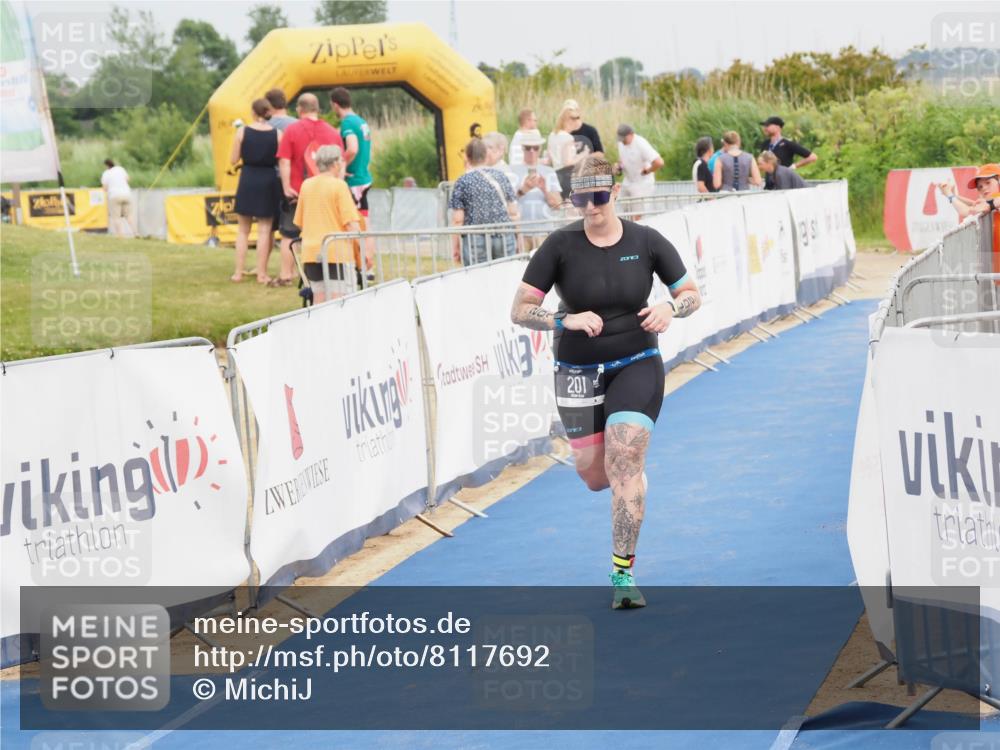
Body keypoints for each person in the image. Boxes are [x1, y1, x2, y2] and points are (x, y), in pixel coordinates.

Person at [510, 156, 701, 609]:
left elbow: (691, 293)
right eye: (580, 199)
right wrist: (565, 318)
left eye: (598, 198)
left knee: (625, 456)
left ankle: (622, 575)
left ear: (615, 192)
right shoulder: (559, 246)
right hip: (576, 371)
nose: (590, 208)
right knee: (597, 476)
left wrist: (671, 309)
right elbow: (519, 310)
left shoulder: (647, 241)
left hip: (637, 360)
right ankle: (628, 480)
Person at [275, 93, 345, 287]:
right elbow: (342, 160)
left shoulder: (292, 130)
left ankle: (287, 273)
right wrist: (338, 184)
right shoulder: (332, 131)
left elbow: (284, 160)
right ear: (318, 109)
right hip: (328, 191)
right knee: (327, 232)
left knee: (290, 233)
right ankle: (322, 273)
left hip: (299, 191)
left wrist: (286, 186)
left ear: (299, 109)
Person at [292, 145, 361, 304]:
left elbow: (300, 222)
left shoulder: (306, 185)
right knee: (341, 298)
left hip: (311, 252)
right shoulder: (339, 186)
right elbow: (351, 224)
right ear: (336, 163)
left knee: (319, 298)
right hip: (336, 251)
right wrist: (362, 251)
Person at [230, 98, 282, 283]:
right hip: (268, 179)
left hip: (248, 178)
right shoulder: (278, 134)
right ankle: (261, 273)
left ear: (253, 112)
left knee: (243, 230)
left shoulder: (242, 131)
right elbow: (281, 160)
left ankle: (238, 272)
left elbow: (233, 159)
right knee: (264, 230)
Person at [449, 138, 519, 266]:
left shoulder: (462, 181)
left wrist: (456, 246)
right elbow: (513, 213)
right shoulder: (502, 176)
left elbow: (458, 220)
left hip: (475, 238)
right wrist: (518, 238)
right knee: (506, 277)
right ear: (486, 155)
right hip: (504, 234)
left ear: (467, 157)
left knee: (478, 280)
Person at [330, 86, 375, 282]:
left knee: (358, 224)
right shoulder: (361, 121)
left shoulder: (347, 123)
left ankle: (364, 266)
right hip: (364, 176)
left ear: (335, 104)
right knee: (365, 223)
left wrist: (342, 166)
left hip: (354, 181)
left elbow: (353, 147)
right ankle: (366, 265)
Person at [509, 128, 563, 249]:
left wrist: (544, 189)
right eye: (528, 148)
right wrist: (523, 190)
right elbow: (507, 202)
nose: (532, 151)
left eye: (535, 148)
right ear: (522, 148)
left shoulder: (549, 172)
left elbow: (558, 205)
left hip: (544, 232)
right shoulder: (512, 171)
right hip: (520, 233)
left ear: (540, 149)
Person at [758, 116, 816, 188]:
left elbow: (812, 157)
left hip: (784, 182)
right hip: (770, 183)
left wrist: (794, 166)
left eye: (768, 125)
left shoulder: (787, 144)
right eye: (764, 126)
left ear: (777, 127)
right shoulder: (765, 144)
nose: (765, 128)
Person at [549, 105, 589, 200]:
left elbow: (550, 158)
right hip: (567, 176)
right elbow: (568, 162)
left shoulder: (552, 135)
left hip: (556, 175)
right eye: (575, 119)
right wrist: (583, 154)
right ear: (569, 121)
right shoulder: (568, 138)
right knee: (571, 211)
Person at [615, 124, 664, 199]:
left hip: (642, 184)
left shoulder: (641, 143)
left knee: (638, 209)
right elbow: (622, 160)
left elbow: (659, 162)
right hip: (628, 181)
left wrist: (648, 170)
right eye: (620, 139)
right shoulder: (621, 143)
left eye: (624, 139)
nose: (622, 141)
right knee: (624, 207)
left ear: (631, 134)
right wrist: (619, 167)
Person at [100, 158, 133, 237]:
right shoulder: (120, 169)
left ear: (106, 165)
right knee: (129, 216)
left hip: (114, 195)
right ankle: (135, 233)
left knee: (116, 217)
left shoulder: (106, 173)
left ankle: (120, 235)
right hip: (126, 194)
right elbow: (128, 179)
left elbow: (105, 188)